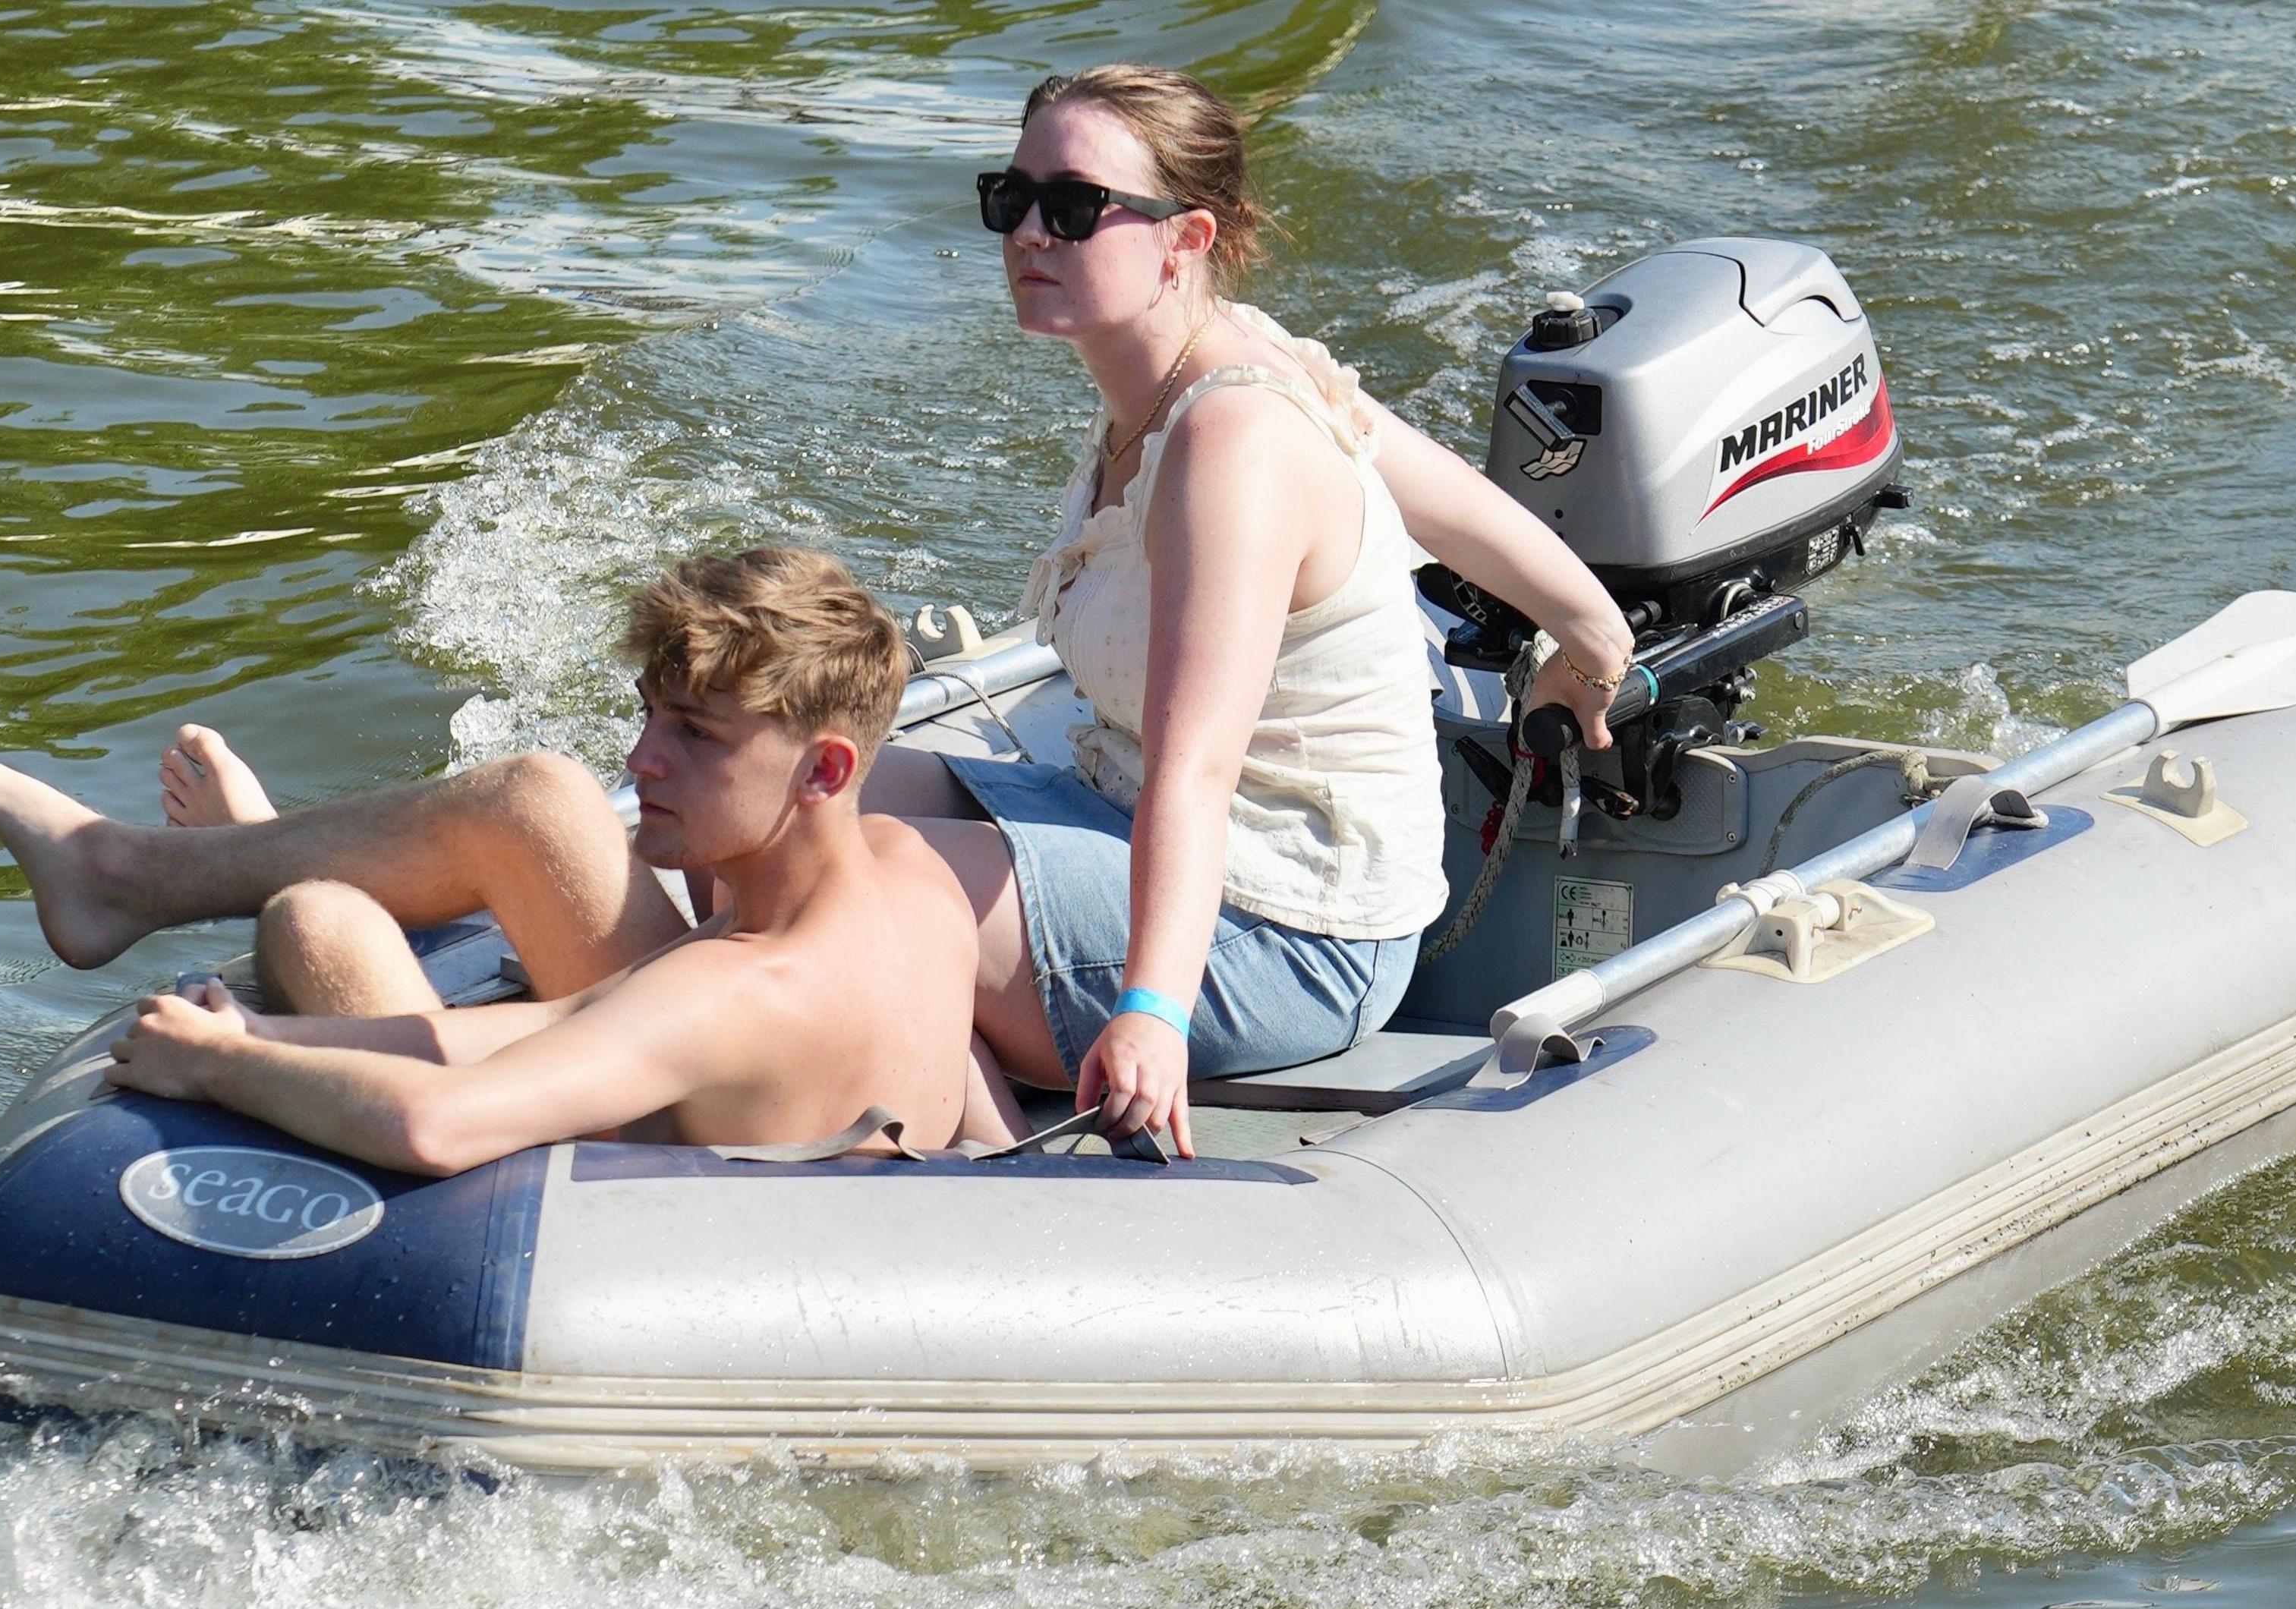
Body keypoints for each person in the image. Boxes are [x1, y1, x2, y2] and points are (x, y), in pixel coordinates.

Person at [157, 63, 1639, 1160]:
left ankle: (428, 1054)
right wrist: (1586, 627)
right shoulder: (1195, 371)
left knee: (872, 873)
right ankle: (250, 884)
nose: (1031, 234)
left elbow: (1196, 766)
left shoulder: (1231, 447)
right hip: (1114, 811)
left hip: (1279, 928)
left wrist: (1155, 1013)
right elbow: (1437, 486)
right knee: (803, 801)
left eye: (1076, 209)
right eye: (1015, 201)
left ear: (1185, 240)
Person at [0, 548, 1015, 1171]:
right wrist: (268, 1031)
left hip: (603, 1217)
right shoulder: (911, 872)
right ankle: (205, 859)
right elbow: (967, 1100)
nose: (643, 760)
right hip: (740, 1113)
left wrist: (216, 1063)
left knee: (313, 927)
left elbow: (436, 1127)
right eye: (648, 718)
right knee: (336, 911)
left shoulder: (733, 993)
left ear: (823, 771)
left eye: (696, 736)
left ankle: (150, 872)